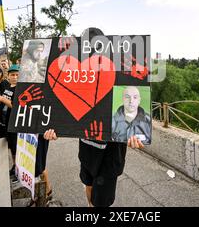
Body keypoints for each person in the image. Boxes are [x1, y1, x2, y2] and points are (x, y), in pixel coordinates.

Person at [44, 27, 145, 207]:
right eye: (87, 46)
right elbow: (62, 108)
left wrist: (134, 132)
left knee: (102, 202)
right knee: (89, 186)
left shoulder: (118, 72)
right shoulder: (74, 75)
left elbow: (131, 105)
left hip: (111, 153)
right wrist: (54, 128)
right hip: (87, 149)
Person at [0, 64, 20, 180]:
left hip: (16, 123)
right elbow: (2, 103)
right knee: (11, 147)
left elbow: (14, 106)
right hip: (7, 122)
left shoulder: (20, 89)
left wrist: (2, 99)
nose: (15, 77)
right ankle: (14, 165)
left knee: (16, 147)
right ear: (8, 76)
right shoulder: (8, 87)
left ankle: (19, 170)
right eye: (12, 75)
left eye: (17, 75)